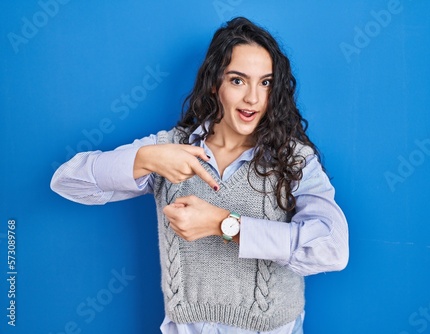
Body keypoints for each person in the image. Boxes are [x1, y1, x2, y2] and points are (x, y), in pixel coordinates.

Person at [51, 17, 349, 334]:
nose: (253, 98)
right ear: (213, 84)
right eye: (238, 80)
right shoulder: (169, 150)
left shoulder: (293, 158)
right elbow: (68, 182)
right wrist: (145, 158)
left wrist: (225, 224)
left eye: (265, 82)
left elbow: (332, 249)